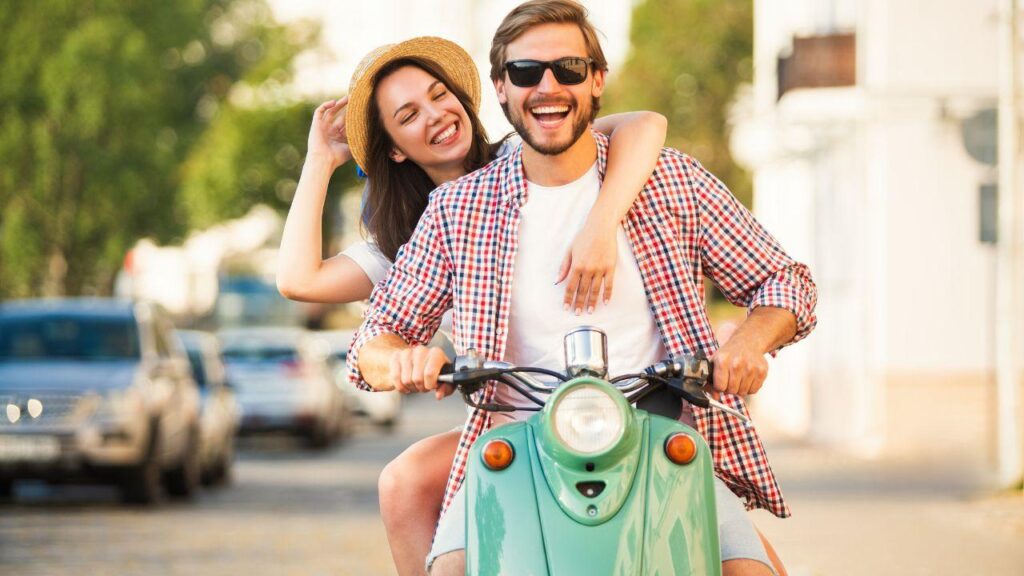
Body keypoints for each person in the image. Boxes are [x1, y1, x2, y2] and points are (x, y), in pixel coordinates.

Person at [346, 1, 817, 575]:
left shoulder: (670, 180)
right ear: (501, 88)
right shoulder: (456, 208)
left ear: (596, 80)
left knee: (754, 574)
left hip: (662, 445)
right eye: (525, 73)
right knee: (448, 570)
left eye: (568, 69)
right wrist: (401, 359)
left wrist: (748, 341)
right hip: (515, 454)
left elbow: (785, 280)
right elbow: (374, 338)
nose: (548, 87)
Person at [276, 36, 670, 576]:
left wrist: (601, 223)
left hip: (615, 403)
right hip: (514, 417)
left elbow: (645, 124)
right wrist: (320, 160)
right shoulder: (408, 242)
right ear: (394, 148)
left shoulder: (528, 157)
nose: (437, 115)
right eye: (410, 114)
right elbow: (299, 280)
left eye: (441, 95)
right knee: (403, 481)